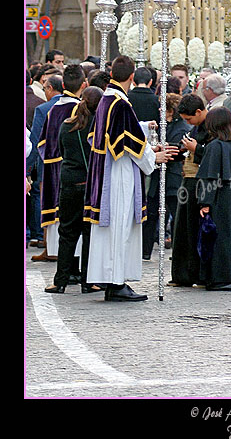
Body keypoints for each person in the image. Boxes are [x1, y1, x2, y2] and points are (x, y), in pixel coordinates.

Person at [83, 56, 167, 302]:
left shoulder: (106, 99)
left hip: (106, 170)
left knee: (113, 229)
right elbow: (131, 143)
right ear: (131, 77)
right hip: (119, 173)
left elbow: (109, 134)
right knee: (120, 227)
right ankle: (117, 282)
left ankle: (112, 280)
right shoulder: (119, 103)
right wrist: (154, 158)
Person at [45, 86, 104, 294]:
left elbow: (61, 151)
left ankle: (60, 280)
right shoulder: (99, 127)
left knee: (67, 232)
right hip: (90, 184)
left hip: (70, 181)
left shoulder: (66, 125)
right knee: (89, 233)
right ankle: (89, 281)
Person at [195, 107, 231, 291]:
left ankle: (219, 277)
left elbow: (209, 177)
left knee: (218, 237)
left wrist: (205, 202)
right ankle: (230, 275)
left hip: (219, 196)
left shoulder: (214, 146)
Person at [36, 65, 87, 268]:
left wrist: (53, 159)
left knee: (63, 224)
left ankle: (64, 267)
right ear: (83, 85)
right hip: (75, 171)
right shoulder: (80, 109)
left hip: (55, 171)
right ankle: (74, 266)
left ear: (63, 85)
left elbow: (42, 143)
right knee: (76, 221)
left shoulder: (53, 109)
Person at [142, 93, 191, 260]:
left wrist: (166, 148)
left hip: (173, 177)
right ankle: (145, 250)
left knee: (176, 215)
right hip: (158, 177)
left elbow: (178, 150)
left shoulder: (181, 128)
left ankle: (178, 250)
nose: (160, 109)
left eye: (164, 107)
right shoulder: (164, 126)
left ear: (171, 110)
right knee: (150, 214)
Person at [169, 93, 211, 286]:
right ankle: (183, 274)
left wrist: (196, 149)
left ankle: (199, 274)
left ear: (199, 112)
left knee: (196, 230)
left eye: (189, 119)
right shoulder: (195, 127)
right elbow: (186, 146)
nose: (189, 123)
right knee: (183, 230)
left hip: (202, 183)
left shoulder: (212, 126)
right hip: (188, 183)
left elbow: (214, 156)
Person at [26, 73, 64, 253]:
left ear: (50, 88)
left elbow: (34, 141)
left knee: (47, 201)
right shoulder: (75, 105)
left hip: (47, 162)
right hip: (69, 163)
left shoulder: (44, 109)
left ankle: (47, 243)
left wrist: (27, 167)